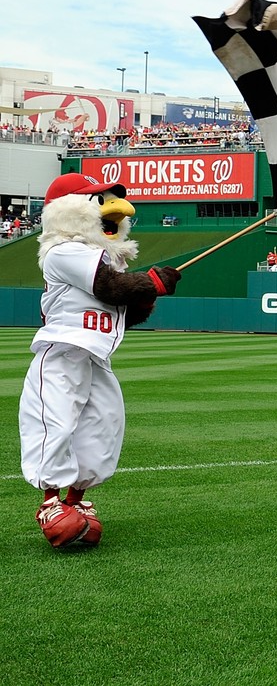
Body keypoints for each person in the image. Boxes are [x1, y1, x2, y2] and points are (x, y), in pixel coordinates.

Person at [19, 174, 181, 548]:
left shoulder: (104, 258)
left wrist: (149, 294)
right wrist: (151, 283)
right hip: (61, 351)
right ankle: (49, 504)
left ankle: (76, 500)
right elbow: (110, 287)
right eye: (98, 199)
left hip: (97, 356)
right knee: (53, 421)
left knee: (103, 424)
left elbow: (128, 307)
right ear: (71, 210)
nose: (111, 208)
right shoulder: (64, 250)